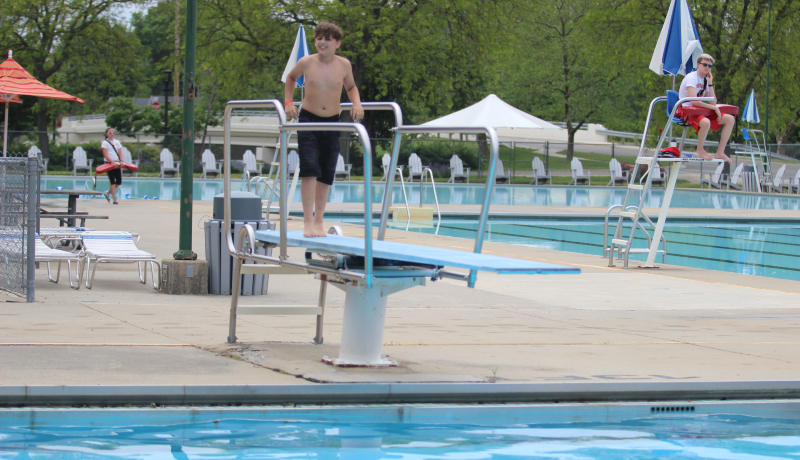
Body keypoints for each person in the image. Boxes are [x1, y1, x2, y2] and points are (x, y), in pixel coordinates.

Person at [284, 21, 364, 237]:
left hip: (332, 122)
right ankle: (307, 223)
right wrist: (288, 103)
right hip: (309, 120)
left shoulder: (344, 65)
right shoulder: (306, 62)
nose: (322, 42)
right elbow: (290, 78)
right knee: (309, 169)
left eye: (328, 38)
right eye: (319, 38)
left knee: (326, 172)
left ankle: (319, 221)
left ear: (337, 43)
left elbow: (351, 87)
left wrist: (356, 103)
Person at [677, 53, 735, 164]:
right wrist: (713, 108)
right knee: (706, 122)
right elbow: (693, 101)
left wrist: (710, 83)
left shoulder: (705, 80)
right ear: (698, 64)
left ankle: (720, 152)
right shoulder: (691, 77)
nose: (707, 68)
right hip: (687, 110)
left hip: (700, 110)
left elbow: (713, 102)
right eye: (705, 65)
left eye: (710, 66)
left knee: (730, 119)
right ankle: (700, 149)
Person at [101, 127, 124, 204]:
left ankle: (107, 193)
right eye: (110, 133)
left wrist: (121, 160)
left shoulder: (117, 142)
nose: (112, 134)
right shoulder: (105, 142)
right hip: (108, 163)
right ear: (106, 134)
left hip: (117, 163)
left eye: (113, 133)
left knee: (118, 182)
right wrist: (112, 162)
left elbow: (120, 152)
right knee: (112, 182)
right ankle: (115, 199)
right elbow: (105, 154)